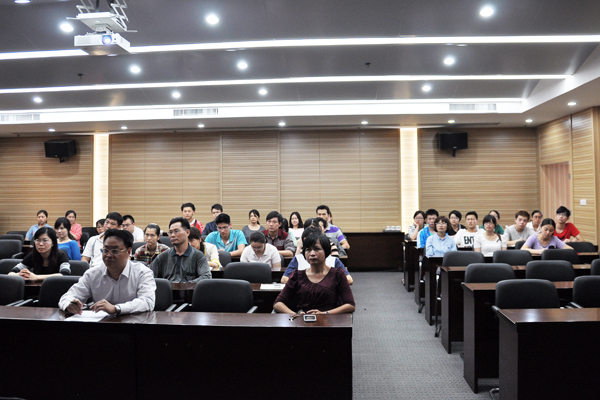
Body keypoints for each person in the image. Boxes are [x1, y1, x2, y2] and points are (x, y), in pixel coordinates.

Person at [59, 229, 156, 315]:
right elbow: (67, 297)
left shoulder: (143, 273)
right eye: (105, 250)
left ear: (128, 252)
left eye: (115, 251)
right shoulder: (92, 274)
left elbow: (147, 302)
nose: (108, 255)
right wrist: (69, 304)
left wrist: (116, 308)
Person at [274, 233, 355, 315]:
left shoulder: (337, 274)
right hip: (302, 320)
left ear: (326, 251)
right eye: (308, 250)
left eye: (317, 249)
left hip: (330, 319)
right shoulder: (297, 275)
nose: (312, 253)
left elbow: (350, 305)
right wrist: (296, 315)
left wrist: (325, 313)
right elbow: (278, 303)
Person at [282, 227, 353, 285]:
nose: (312, 253)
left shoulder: (333, 260)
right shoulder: (298, 259)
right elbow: (284, 279)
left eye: (316, 248)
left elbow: (349, 279)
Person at [150, 218, 212, 283]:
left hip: (190, 289)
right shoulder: (163, 256)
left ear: (187, 232)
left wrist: (187, 284)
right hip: (168, 289)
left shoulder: (198, 255)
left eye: (176, 231)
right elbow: (149, 276)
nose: (172, 235)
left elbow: (206, 277)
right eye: (170, 232)